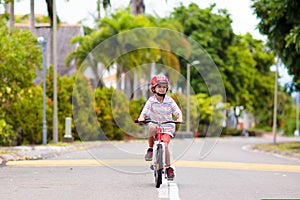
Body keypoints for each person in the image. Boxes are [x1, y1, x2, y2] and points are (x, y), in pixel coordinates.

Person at [138, 74, 183, 180]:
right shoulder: (151, 101)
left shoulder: (170, 100)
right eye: (159, 87)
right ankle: (150, 148)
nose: (162, 89)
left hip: (167, 126)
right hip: (155, 124)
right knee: (151, 127)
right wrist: (141, 118)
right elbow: (144, 112)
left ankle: (168, 167)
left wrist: (179, 118)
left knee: (165, 146)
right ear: (154, 88)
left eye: (164, 87)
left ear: (167, 89)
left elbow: (178, 112)